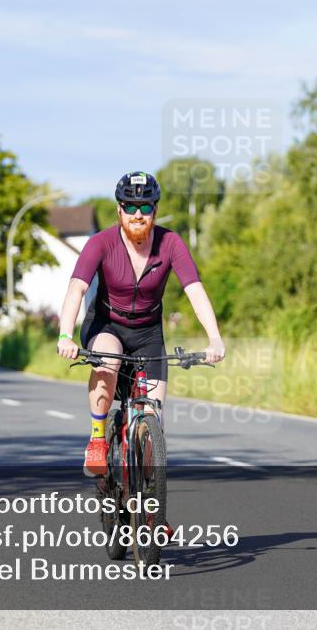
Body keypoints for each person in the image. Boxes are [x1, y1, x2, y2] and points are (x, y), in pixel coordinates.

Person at [56, 171, 226, 477]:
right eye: (130, 207)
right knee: (108, 361)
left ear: (155, 210)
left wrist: (214, 338)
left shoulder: (170, 243)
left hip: (148, 333)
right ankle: (97, 439)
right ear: (119, 209)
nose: (138, 214)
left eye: (145, 207)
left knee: (154, 417)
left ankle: (150, 498)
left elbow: (195, 291)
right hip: (107, 325)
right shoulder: (101, 243)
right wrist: (65, 335)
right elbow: (76, 288)